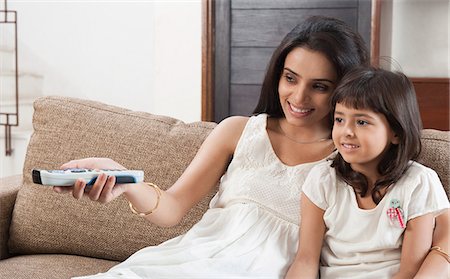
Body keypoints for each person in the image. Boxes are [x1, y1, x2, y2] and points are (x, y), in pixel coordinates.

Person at [53, 16, 448, 278]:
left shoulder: (353, 156)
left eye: (320, 86)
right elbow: (172, 207)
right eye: (290, 77)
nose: (298, 96)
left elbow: (415, 217)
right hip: (190, 260)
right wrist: (123, 180)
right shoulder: (238, 131)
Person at [285, 67, 450, 279]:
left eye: (362, 122)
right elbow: (306, 260)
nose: (347, 131)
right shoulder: (322, 179)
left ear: (396, 133)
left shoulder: (418, 183)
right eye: (339, 119)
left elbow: (410, 271)